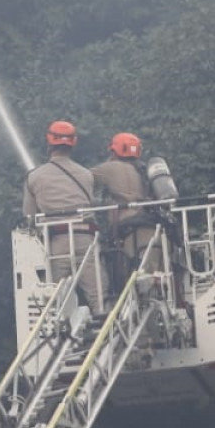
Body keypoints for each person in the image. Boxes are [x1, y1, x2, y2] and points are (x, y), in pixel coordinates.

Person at [23, 120, 103, 313]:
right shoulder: (86, 175)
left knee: (54, 301)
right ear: (73, 144)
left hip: (56, 243)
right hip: (86, 239)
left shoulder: (34, 177)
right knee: (99, 296)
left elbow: (29, 216)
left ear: (49, 142)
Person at [92, 132, 160, 282]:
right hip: (151, 229)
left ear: (114, 150)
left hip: (126, 232)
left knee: (130, 276)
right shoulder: (143, 170)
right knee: (152, 276)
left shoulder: (109, 168)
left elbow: (83, 178)